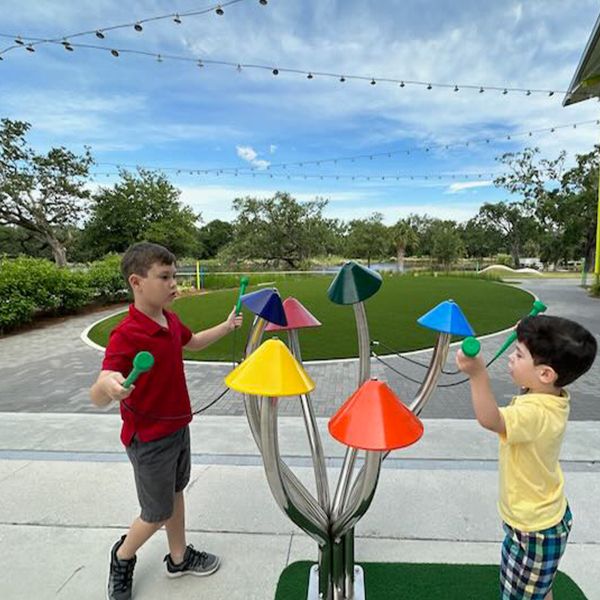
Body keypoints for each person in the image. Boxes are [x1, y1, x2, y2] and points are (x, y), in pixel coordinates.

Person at [90, 242, 243, 600]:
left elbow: (194, 342)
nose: (174, 284)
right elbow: (98, 389)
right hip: (149, 438)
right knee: (155, 512)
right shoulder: (126, 334)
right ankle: (123, 556)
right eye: (164, 277)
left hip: (177, 429)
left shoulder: (169, 320)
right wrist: (107, 386)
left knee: (175, 494)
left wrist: (226, 326)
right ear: (137, 281)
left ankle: (178, 557)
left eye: (174, 276)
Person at [456, 314, 596, 600]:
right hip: (542, 520)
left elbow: (490, 419)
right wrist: (530, 330)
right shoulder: (551, 396)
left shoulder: (534, 413)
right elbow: (529, 382)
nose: (510, 357)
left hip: (534, 531)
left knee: (520, 595)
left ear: (545, 374)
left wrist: (477, 374)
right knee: (537, 590)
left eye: (518, 354)